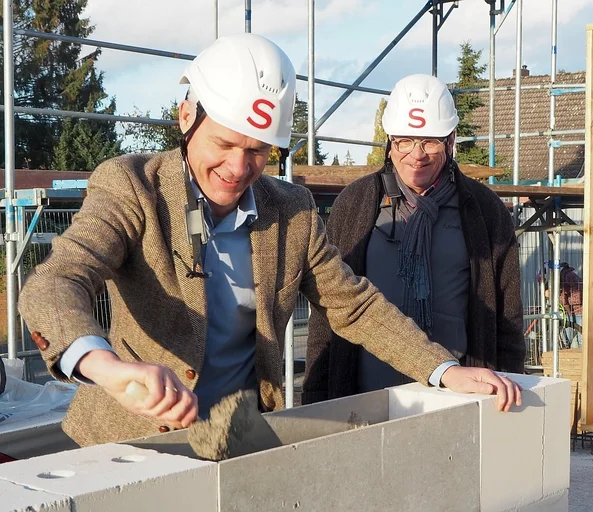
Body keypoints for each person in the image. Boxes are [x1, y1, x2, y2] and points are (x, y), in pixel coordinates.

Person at [17, 35, 520, 447]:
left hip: (242, 439)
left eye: (258, 151)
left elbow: (355, 306)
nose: (239, 168)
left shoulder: (292, 211)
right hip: (131, 446)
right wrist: (105, 366)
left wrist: (442, 370)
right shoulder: (133, 187)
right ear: (186, 116)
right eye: (225, 143)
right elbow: (57, 282)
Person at [303, 74, 526, 404]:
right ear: (390, 143)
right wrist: (318, 397)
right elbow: (329, 311)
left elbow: (506, 320)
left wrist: (506, 386)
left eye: (430, 142)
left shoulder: (484, 211)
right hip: (365, 399)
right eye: (404, 141)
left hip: (457, 398)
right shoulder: (356, 204)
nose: (416, 154)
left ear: (450, 141)